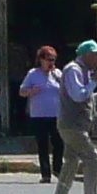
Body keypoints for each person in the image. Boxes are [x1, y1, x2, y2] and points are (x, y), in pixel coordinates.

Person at [52, 39, 97, 194]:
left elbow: (82, 96)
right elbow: (77, 95)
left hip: (74, 125)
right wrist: (94, 82)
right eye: (95, 54)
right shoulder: (73, 70)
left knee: (70, 164)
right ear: (86, 55)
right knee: (94, 159)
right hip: (73, 126)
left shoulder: (82, 71)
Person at [16, 43, 65, 182]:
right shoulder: (33, 74)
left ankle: (58, 169)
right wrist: (32, 91)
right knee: (43, 144)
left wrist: (58, 78)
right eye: (49, 60)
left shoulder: (57, 74)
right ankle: (45, 174)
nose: (51, 63)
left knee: (58, 143)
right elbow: (21, 91)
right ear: (41, 60)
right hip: (39, 115)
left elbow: (66, 90)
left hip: (56, 114)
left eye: (53, 60)